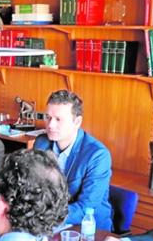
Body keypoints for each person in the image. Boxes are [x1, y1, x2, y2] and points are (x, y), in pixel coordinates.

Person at [34, 90, 113, 231]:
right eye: (48, 117)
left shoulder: (97, 155)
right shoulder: (41, 143)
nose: (50, 125)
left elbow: (85, 208)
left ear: (77, 122)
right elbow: (31, 185)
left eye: (58, 119)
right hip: (47, 223)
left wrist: (42, 215)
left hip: (88, 229)